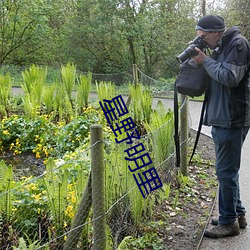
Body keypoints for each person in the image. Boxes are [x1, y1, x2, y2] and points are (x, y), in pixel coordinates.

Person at [192, 15, 250, 238]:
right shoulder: (221, 46)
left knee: (225, 171)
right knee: (227, 171)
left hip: (232, 118)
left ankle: (228, 223)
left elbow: (229, 77)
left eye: (204, 37)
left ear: (216, 32)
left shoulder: (238, 44)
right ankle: (237, 214)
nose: (203, 41)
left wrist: (205, 61)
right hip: (222, 117)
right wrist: (202, 60)